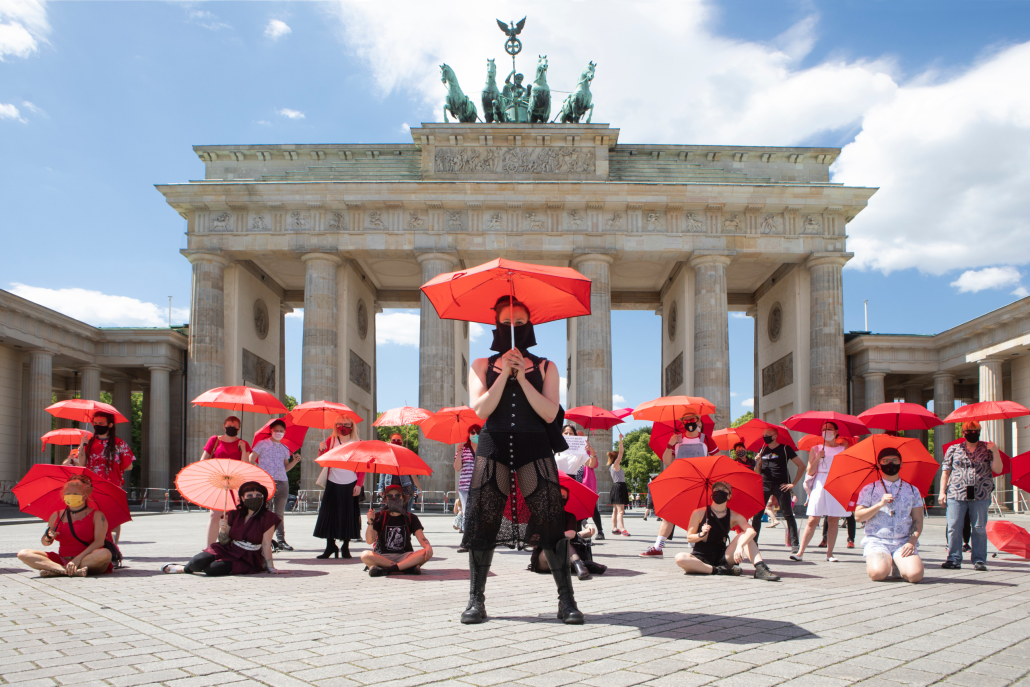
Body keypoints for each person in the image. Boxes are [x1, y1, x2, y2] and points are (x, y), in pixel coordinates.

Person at [461, 296, 581, 625]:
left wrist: (524, 378)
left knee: (550, 519)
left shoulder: (545, 367)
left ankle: (566, 601)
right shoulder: (481, 365)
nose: (513, 327)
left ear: (529, 326)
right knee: (483, 519)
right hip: (493, 445)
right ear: (495, 325)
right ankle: (476, 600)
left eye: (519, 322)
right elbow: (481, 410)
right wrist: (504, 374)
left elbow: (550, 413)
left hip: (535, 445)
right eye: (506, 322)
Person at [163, 482, 286, 575]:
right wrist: (222, 529)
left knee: (212, 569)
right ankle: (182, 569)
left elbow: (266, 544)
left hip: (248, 556)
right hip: (228, 548)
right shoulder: (233, 514)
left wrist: (271, 567)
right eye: (249, 495)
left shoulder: (269, 517)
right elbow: (223, 541)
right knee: (198, 561)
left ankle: (196, 568)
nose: (254, 497)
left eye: (258, 495)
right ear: (242, 498)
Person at [674, 481, 780, 581]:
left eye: (723, 491)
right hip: (700, 557)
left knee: (744, 535)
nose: (719, 492)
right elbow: (689, 538)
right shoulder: (699, 513)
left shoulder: (734, 515)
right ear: (711, 494)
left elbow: (752, 531)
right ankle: (718, 570)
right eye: (716, 490)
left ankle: (760, 568)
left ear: (729, 496)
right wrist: (701, 534)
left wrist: (740, 546)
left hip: (723, 556)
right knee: (680, 558)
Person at [640, 412, 710, 557]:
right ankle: (658, 547)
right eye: (686, 420)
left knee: (699, 517)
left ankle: (697, 547)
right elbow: (667, 461)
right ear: (682, 423)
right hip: (680, 482)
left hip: (700, 483)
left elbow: (717, 457)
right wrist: (670, 444)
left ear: (698, 421)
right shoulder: (677, 440)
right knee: (669, 515)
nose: (689, 422)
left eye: (692, 419)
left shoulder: (706, 439)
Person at [18, 474, 113, 577]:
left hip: (87, 558)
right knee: (23, 553)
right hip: (62, 559)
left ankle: (56, 570)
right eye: (68, 493)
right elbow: (45, 542)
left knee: (105, 553)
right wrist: (48, 538)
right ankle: (66, 570)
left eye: (75, 493)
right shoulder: (56, 515)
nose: (71, 496)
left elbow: (99, 542)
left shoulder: (97, 515)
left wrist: (77, 559)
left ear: (85, 496)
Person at [854, 447, 924, 583]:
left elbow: (918, 519)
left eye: (894, 460)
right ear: (879, 465)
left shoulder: (912, 490)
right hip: (877, 541)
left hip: (903, 542)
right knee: (878, 574)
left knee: (915, 576)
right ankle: (884, 562)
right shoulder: (869, 489)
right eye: (885, 461)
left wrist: (912, 541)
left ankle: (897, 563)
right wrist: (880, 504)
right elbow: (858, 516)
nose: (890, 463)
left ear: (901, 463)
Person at [940, 420, 1003, 571]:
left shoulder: (988, 449)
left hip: (981, 493)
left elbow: (998, 469)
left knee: (979, 527)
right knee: (954, 526)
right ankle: (953, 559)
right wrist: (942, 492)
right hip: (956, 492)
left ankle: (979, 560)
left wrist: (995, 451)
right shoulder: (954, 449)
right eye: (969, 431)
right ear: (963, 433)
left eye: (976, 431)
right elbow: (946, 471)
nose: (973, 434)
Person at [791, 422, 851, 562]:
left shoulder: (843, 449)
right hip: (820, 482)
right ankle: (800, 552)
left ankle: (829, 554)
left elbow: (847, 468)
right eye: (824, 429)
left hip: (836, 482)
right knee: (813, 519)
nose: (826, 431)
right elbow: (810, 471)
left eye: (829, 429)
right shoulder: (816, 448)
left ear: (836, 431)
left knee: (833, 519)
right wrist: (818, 458)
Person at [71, 412, 134, 545]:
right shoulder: (88, 442)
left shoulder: (119, 443)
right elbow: (81, 465)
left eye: (101, 423)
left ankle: (113, 547)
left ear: (110, 425)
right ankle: (95, 546)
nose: (97, 425)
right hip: (91, 487)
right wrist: (82, 445)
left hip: (112, 487)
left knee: (112, 519)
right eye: (95, 423)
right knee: (92, 517)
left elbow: (129, 466)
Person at [530, 485, 607, 580]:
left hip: (564, 554)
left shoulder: (570, 516)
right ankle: (582, 564)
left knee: (563, 543)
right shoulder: (540, 516)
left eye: (563, 496)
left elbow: (571, 534)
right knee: (552, 547)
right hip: (543, 559)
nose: (560, 498)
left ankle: (579, 566)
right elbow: (532, 544)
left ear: (566, 500)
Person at [314, 415, 365, 559]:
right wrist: (321, 450)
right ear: (335, 426)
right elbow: (323, 461)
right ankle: (330, 546)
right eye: (339, 424)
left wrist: (359, 484)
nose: (343, 427)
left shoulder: (359, 443)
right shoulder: (330, 441)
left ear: (352, 426)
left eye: (346, 424)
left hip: (351, 482)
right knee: (329, 515)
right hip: (332, 481)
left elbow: (362, 466)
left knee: (348, 515)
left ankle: (345, 546)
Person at [199, 415, 251, 546]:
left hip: (235, 483)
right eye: (229, 426)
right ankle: (210, 547)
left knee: (232, 517)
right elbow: (203, 461)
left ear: (239, 428)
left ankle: (228, 547)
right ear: (224, 426)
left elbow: (246, 466)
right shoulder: (214, 440)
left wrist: (244, 450)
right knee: (214, 515)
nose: (231, 428)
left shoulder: (243, 443)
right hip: (218, 481)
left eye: (234, 426)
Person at [250, 419, 301, 552]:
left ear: (284, 432)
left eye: (281, 431)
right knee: (264, 511)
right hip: (266, 482)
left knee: (279, 513)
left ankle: (281, 540)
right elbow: (251, 459)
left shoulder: (285, 448)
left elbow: (286, 467)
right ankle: (263, 540)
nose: (278, 433)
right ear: (271, 431)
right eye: (276, 430)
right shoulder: (262, 444)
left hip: (282, 482)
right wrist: (258, 474)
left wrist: (295, 461)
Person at [360, 484, 433, 576]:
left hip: (405, 556)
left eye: (397, 495)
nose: (394, 498)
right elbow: (369, 541)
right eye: (390, 496)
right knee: (365, 555)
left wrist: (427, 546)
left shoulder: (411, 518)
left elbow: (422, 538)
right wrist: (371, 522)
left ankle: (387, 570)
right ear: (386, 499)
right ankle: (406, 568)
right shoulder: (379, 516)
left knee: (425, 552)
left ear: (403, 497)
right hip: (383, 556)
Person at [751, 427, 803, 553]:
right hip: (764, 484)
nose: (765, 437)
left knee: (788, 514)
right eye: (763, 435)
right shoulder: (762, 450)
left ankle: (795, 544)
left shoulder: (785, 449)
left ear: (774, 436)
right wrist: (758, 462)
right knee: (757, 515)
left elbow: (802, 465)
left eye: (767, 435)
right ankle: (753, 543)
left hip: (781, 485)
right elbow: (757, 472)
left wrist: (793, 484)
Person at [378, 433, 422, 513]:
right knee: (391, 511)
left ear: (402, 441)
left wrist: (419, 488)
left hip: (405, 487)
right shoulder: (386, 455)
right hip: (390, 486)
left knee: (405, 511)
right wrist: (380, 488)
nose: (396, 441)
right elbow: (382, 472)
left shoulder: (407, 455)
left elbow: (413, 474)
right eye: (393, 440)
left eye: (398, 440)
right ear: (390, 441)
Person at [453, 424, 480, 552]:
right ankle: (466, 541)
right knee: (467, 512)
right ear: (468, 435)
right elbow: (457, 468)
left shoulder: (484, 448)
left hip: (480, 485)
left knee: (478, 513)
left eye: (477, 432)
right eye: (472, 433)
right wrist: (459, 452)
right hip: (465, 486)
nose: (475, 435)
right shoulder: (464, 449)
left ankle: (478, 539)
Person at [576, 430, 606, 540]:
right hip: (575, 483)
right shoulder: (569, 451)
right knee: (576, 510)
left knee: (593, 508)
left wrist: (590, 449)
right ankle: (580, 533)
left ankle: (600, 531)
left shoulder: (588, 451)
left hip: (586, 484)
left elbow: (594, 464)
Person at [608, 436, 630, 536]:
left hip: (616, 487)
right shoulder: (615, 465)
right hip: (619, 487)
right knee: (621, 511)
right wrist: (620, 439)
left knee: (616, 510)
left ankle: (614, 528)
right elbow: (621, 452)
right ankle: (623, 529)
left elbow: (620, 453)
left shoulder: (612, 466)